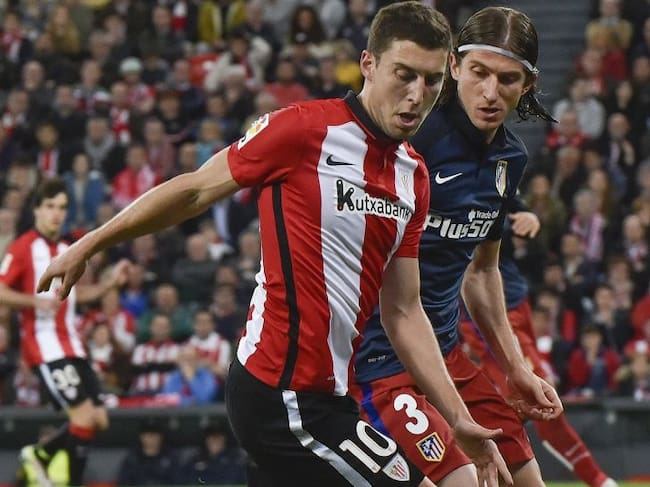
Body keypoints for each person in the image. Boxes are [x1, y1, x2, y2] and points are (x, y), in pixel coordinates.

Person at [38, 3, 511, 486]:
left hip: (330, 395)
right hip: (278, 393)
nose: (416, 95)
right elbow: (195, 190)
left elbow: (405, 311)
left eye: (432, 82)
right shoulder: (302, 129)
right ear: (368, 64)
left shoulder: (414, 177)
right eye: (404, 75)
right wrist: (91, 243)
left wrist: (458, 417)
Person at [355, 7, 563, 487]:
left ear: (528, 84)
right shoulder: (413, 142)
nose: (490, 92)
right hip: (378, 358)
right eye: (479, 73)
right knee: (463, 481)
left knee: (526, 480)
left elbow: (482, 272)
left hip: (446, 354)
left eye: (508, 79)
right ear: (454, 66)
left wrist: (516, 368)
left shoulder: (510, 158)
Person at [460, 208, 619, 487]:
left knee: (527, 401)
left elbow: (514, 208)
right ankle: (597, 480)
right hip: (478, 312)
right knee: (534, 401)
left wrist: (529, 214)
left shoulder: (496, 183)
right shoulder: (437, 191)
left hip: (510, 303)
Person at [0, 178, 128, 487]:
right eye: (50, 206)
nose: (56, 214)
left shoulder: (68, 248)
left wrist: (109, 285)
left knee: (99, 419)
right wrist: (34, 301)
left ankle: (40, 455)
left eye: (62, 207)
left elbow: (74, 295)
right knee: (83, 418)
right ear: (36, 210)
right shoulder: (22, 247)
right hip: (46, 346)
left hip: (73, 344)